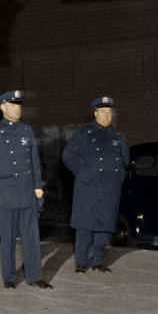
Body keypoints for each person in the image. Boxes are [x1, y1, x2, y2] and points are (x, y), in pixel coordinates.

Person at [0, 90, 52, 289]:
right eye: (12, 105)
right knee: (8, 238)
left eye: (19, 105)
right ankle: (9, 277)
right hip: (5, 193)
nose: (17, 109)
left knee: (32, 238)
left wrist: (38, 185)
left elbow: (34, 161)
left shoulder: (27, 131)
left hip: (27, 191)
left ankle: (34, 276)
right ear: (3, 107)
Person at [62, 96, 129, 273]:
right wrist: (82, 173)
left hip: (110, 188)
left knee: (105, 227)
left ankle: (98, 261)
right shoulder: (84, 133)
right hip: (88, 187)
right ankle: (81, 262)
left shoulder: (118, 136)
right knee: (85, 225)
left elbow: (124, 161)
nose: (107, 116)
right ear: (95, 113)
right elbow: (68, 155)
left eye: (109, 112)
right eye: (103, 112)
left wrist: (117, 178)